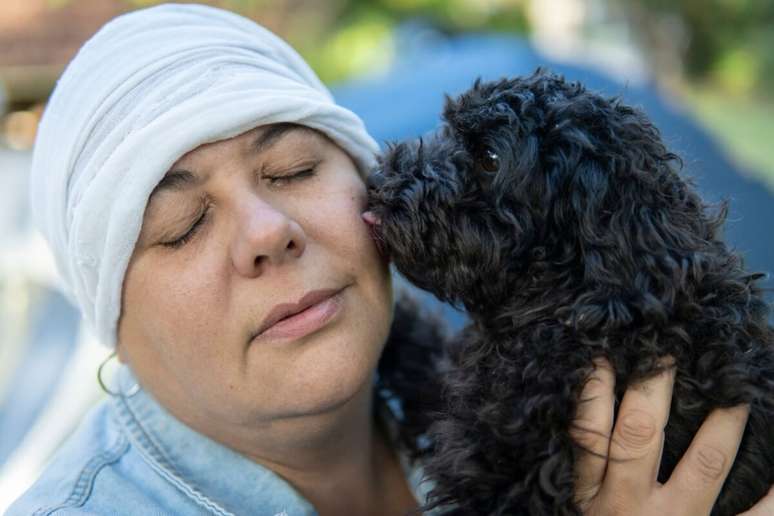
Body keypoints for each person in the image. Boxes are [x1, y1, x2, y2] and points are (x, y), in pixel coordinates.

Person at [8, 4, 774, 516]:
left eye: (296, 170)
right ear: (109, 312)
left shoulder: (490, 355)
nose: (267, 232)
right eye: (180, 225)